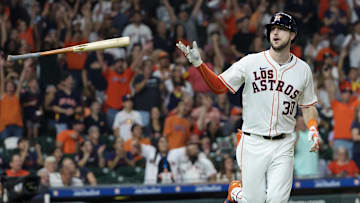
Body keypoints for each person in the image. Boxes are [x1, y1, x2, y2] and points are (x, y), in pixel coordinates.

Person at [177, 12, 320, 203]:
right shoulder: (251, 61)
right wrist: (199, 64)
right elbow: (220, 86)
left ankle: (237, 193)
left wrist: (312, 126)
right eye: (273, 29)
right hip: (254, 141)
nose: (275, 33)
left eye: (281, 29)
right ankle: (235, 192)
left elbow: (308, 104)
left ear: (292, 35)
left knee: (278, 201)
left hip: (284, 143)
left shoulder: (303, 70)